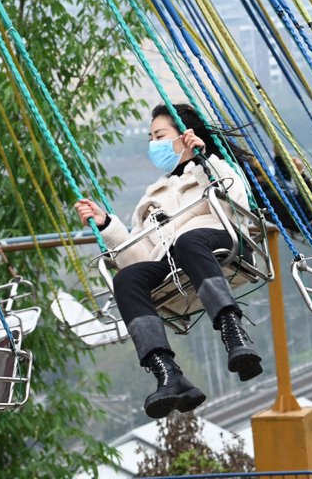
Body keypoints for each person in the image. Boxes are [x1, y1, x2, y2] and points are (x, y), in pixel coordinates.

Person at [74, 103, 261, 419]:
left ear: (186, 135)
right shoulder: (152, 195)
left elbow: (237, 198)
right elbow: (140, 256)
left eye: (160, 135)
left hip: (219, 240)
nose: (154, 144)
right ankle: (166, 371)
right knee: (126, 279)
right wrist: (107, 224)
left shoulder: (215, 167)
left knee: (189, 240)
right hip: (174, 261)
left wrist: (204, 159)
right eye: (150, 138)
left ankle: (233, 331)